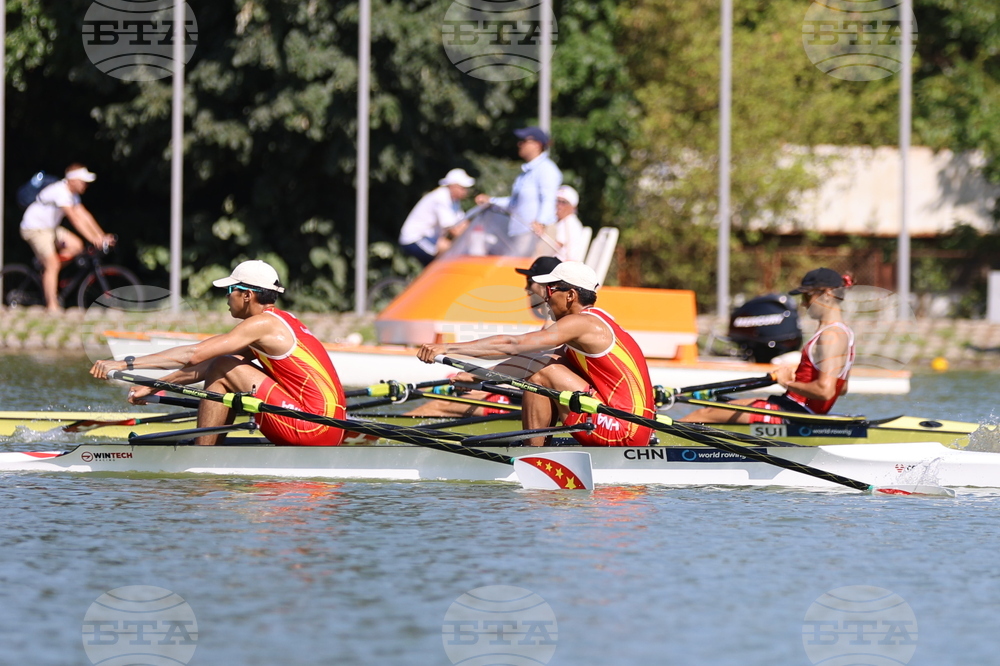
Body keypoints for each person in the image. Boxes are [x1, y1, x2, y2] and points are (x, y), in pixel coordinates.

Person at [90, 260, 347, 446]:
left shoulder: (262, 324)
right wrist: (154, 386)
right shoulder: (281, 321)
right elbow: (207, 367)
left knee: (225, 364)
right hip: (332, 428)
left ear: (247, 295)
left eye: (229, 291)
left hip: (312, 427)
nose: (226, 298)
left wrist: (124, 364)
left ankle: (203, 454)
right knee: (225, 364)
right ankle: (209, 446)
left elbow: (194, 354)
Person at [416, 261, 655, 447]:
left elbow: (514, 344)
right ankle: (538, 447)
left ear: (570, 295)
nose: (546, 296)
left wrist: (447, 348)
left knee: (541, 374)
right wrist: (480, 376)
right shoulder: (597, 322)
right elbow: (537, 357)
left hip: (622, 429)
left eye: (551, 289)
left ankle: (533, 454)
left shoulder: (581, 323)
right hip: (632, 428)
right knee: (544, 365)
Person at [680, 268, 855, 424]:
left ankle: (657, 447)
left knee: (702, 414)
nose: (803, 303)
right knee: (719, 405)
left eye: (807, 296)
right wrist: (798, 379)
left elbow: (825, 391)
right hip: (794, 407)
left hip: (795, 413)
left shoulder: (831, 336)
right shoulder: (842, 333)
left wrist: (786, 382)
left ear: (828, 293)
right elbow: (842, 388)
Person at [404, 255, 562, 419]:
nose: (525, 288)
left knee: (440, 404)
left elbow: (514, 349)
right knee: (455, 396)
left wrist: (471, 371)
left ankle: (380, 437)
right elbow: (522, 363)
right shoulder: (552, 322)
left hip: (538, 402)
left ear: (546, 286)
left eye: (529, 281)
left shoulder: (558, 325)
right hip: (527, 395)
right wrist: (480, 378)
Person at [19, 164, 116, 312]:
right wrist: (93, 239)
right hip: (35, 228)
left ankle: (47, 268)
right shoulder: (61, 192)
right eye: (83, 181)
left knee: (76, 246)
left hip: (50, 229)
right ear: (72, 180)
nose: (85, 184)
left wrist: (101, 236)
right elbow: (74, 219)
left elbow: (84, 216)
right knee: (53, 265)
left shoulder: (73, 195)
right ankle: (52, 307)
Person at [475, 126, 562, 256]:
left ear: (537, 144)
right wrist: (491, 201)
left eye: (524, 141)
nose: (519, 144)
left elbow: (548, 199)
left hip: (536, 234)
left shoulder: (546, 169)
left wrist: (541, 222)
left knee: (530, 274)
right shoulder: (526, 173)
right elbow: (514, 203)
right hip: (522, 232)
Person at [399, 168, 476, 266]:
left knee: (447, 253)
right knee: (444, 260)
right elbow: (455, 229)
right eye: (463, 188)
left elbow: (463, 223)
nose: (466, 191)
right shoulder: (441, 197)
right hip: (414, 239)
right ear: (453, 186)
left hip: (428, 238)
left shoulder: (454, 200)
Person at [550, 185, 586, 261]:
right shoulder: (561, 222)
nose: (559, 205)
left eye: (563, 202)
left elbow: (554, 246)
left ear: (573, 207)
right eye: (557, 201)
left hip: (560, 267)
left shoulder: (570, 224)